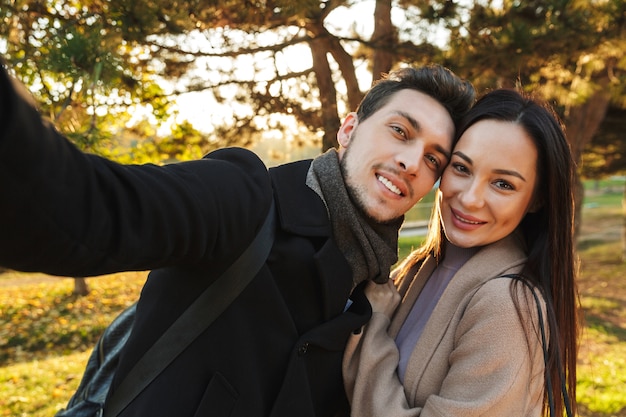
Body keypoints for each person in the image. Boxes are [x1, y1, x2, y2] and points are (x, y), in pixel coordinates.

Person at [0, 59, 475, 417]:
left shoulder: (369, 300)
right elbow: (92, 208)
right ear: (348, 130)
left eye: (434, 158)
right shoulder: (245, 198)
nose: (413, 163)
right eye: (400, 131)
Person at [343, 89, 579, 416]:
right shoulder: (417, 268)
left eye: (503, 184)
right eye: (462, 168)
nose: (469, 198)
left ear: (536, 200)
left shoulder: (507, 305)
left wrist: (374, 325)